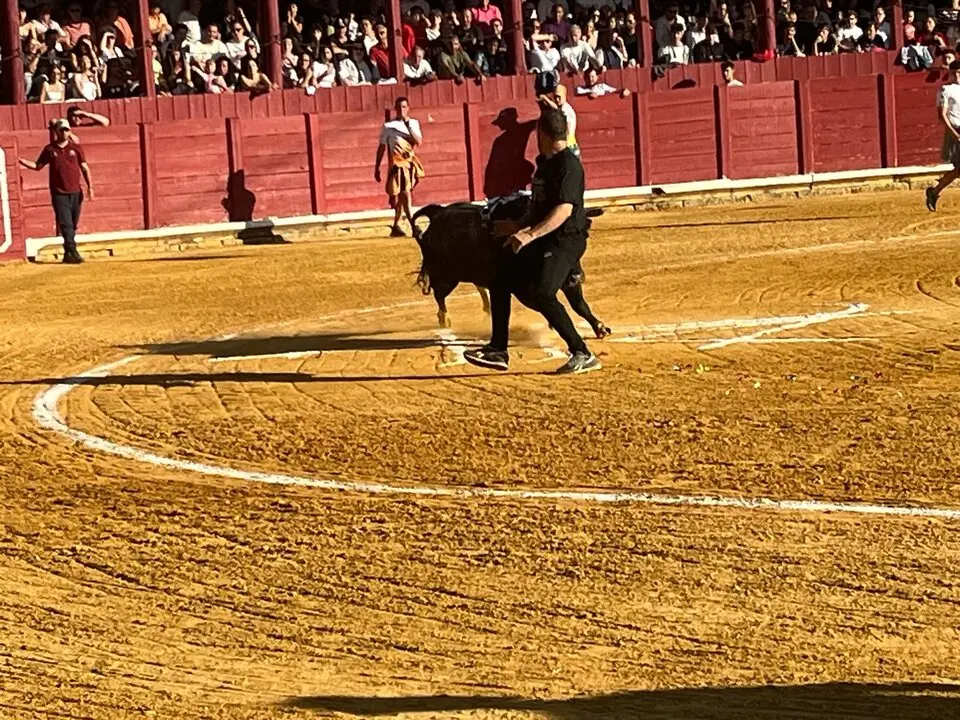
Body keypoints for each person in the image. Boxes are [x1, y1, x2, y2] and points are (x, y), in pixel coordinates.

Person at [464, 109, 601, 375]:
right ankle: (498, 350)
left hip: (565, 241)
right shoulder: (546, 163)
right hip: (544, 237)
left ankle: (582, 352)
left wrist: (528, 235)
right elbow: (538, 207)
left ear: (544, 134)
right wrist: (516, 226)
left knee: (543, 293)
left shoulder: (569, 166)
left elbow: (563, 210)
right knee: (500, 279)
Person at [19, 118, 94, 264]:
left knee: (73, 223)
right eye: (62, 130)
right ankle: (73, 251)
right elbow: (37, 166)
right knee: (66, 224)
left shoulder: (76, 148)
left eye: (67, 130)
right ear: (57, 131)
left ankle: (68, 253)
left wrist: (90, 187)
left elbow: (85, 167)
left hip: (76, 192)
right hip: (59, 193)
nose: (65, 133)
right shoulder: (50, 149)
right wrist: (21, 161)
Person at [375, 97, 424, 237]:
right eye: (398, 107)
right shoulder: (388, 127)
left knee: (403, 196)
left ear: (408, 108)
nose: (401, 110)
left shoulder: (414, 123)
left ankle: (396, 225)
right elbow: (382, 148)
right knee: (405, 194)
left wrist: (408, 126)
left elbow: (418, 141)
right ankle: (414, 226)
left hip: (410, 164)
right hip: (397, 165)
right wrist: (377, 167)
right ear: (395, 109)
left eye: (404, 107)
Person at [927, 60, 960, 211]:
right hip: (955, 131)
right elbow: (942, 116)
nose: (958, 75)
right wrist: (954, 134)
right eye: (955, 73)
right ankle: (934, 191)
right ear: (951, 73)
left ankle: (934, 191)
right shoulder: (945, 90)